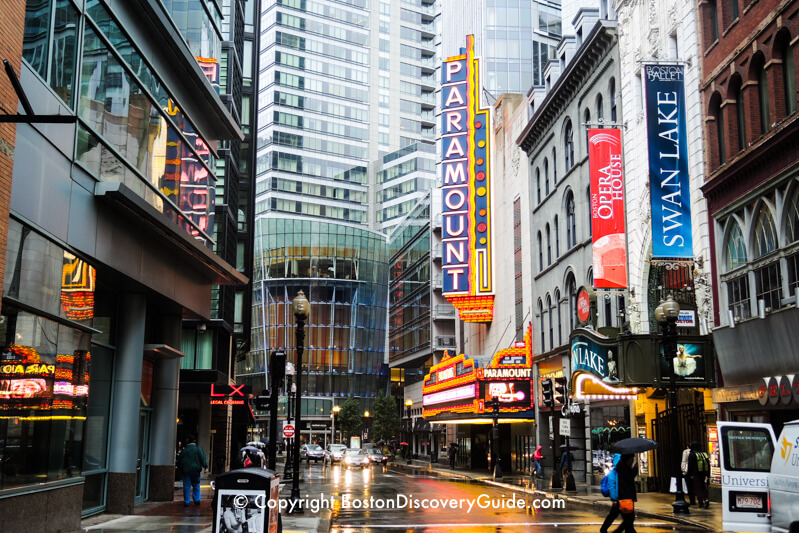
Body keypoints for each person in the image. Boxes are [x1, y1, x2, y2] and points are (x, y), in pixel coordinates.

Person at [177, 435, 208, 507]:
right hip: (196, 470)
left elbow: (180, 461)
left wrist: (180, 468)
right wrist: (205, 467)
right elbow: (203, 458)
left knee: (186, 485)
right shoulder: (198, 449)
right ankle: (197, 500)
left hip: (186, 470)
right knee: (196, 484)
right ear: (194, 441)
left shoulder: (184, 450)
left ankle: (186, 501)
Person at [613, 454, 638, 532]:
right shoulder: (623, 469)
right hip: (625, 498)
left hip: (625, 497)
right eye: (631, 459)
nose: (633, 460)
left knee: (629, 521)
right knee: (629, 520)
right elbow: (630, 478)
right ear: (627, 459)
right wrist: (635, 469)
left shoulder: (622, 467)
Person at [600, 453, 622, 533]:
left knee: (615, 515)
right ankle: (604, 529)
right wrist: (614, 499)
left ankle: (604, 529)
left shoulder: (619, 472)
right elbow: (612, 487)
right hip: (618, 498)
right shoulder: (614, 473)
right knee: (614, 515)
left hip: (621, 498)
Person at [687, 441, 710, 508]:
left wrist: (689, 474)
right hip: (704, 473)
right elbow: (708, 464)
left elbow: (690, 465)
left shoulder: (692, 454)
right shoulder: (704, 454)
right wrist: (708, 474)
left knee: (698, 488)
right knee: (703, 487)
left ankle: (701, 503)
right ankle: (706, 499)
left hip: (696, 473)